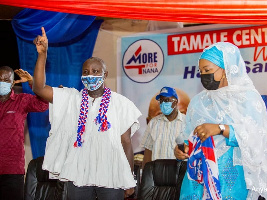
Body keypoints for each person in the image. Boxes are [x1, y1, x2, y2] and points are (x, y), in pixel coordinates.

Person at [33, 27, 142, 200]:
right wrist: (42, 54)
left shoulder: (121, 104)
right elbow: (39, 88)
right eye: (86, 72)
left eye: (95, 71)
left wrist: (129, 179)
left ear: (105, 74)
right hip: (79, 174)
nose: (90, 75)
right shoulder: (71, 99)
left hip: (111, 174)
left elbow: (126, 143)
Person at [174, 42, 267, 199]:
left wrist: (220, 128)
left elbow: (255, 138)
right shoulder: (198, 101)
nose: (203, 75)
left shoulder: (247, 99)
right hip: (198, 181)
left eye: (208, 70)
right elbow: (189, 137)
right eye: (201, 71)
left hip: (232, 178)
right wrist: (182, 150)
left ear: (226, 68)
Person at [0, 66, 49, 200]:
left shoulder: (21, 101)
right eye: (0, 79)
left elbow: (43, 104)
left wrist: (33, 83)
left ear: (13, 82)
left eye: (6, 80)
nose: (2, 82)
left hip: (12, 169)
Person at [140, 86, 186, 168]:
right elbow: (148, 151)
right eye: (161, 101)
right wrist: (144, 174)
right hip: (157, 173)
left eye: (167, 100)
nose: (163, 103)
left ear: (175, 102)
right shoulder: (153, 123)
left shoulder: (187, 122)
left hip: (181, 172)